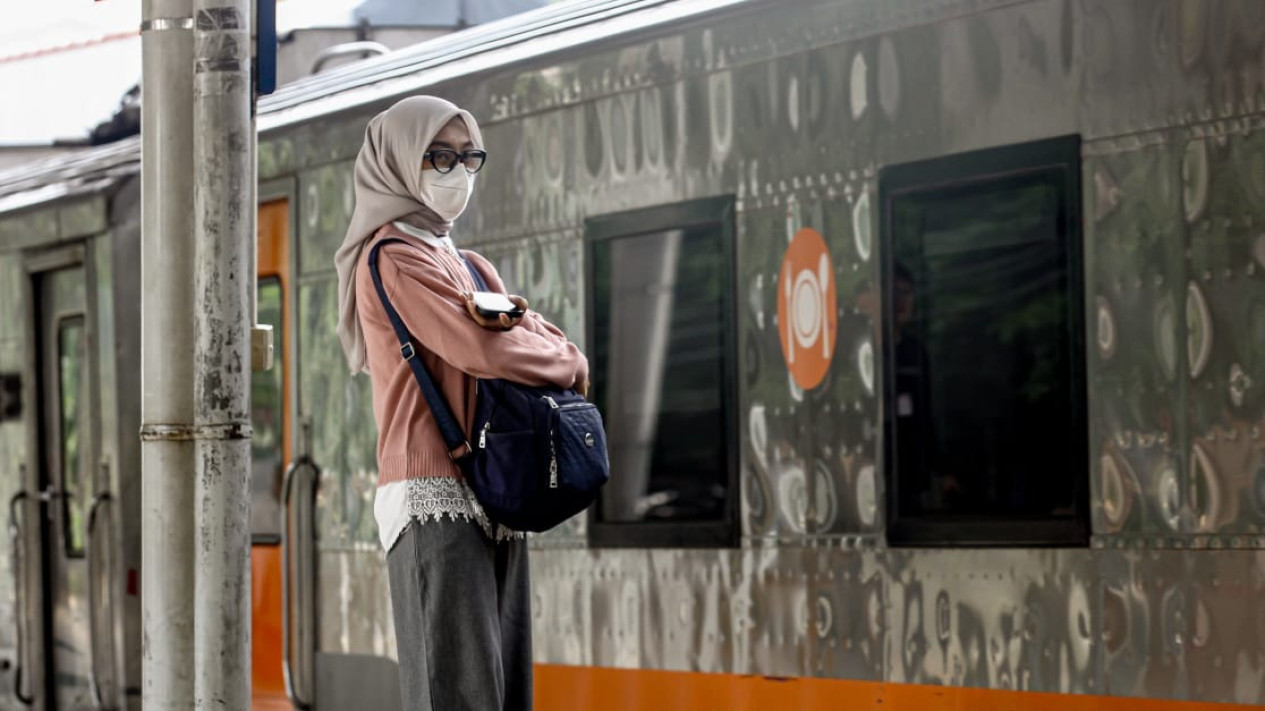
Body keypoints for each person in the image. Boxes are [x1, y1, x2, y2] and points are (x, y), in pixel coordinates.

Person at [334, 96, 589, 711]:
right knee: (455, 691)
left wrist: (547, 350)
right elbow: (483, 348)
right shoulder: (392, 258)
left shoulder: (470, 266)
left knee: (504, 690)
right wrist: (570, 363)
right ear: (399, 161)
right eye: (439, 157)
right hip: (433, 494)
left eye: (468, 157)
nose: (457, 172)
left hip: (494, 485)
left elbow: (532, 338)